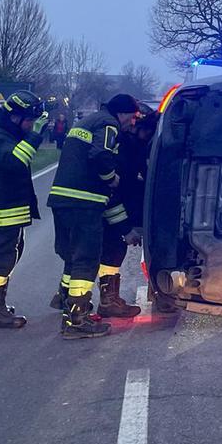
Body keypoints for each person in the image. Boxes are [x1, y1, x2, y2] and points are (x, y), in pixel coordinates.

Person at [47, 93, 141, 339]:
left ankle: (66, 301)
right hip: (83, 202)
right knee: (87, 261)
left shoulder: (85, 122)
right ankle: (76, 322)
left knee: (72, 255)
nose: (133, 123)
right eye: (132, 118)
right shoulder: (108, 124)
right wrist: (112, 178)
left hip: (62, 200)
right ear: (121, 113)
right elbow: (100, 155)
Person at [0, 90, 50, 329]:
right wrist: (36, 135)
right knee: (3, 258)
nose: (30, 125)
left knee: (13, 254)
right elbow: (16, 161)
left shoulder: (7, 135)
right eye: (29, 120)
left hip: (11, 207)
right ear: (15, 117)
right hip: (2, 209)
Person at [95, 105, 158, 318]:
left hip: (112, 205)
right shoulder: (124, 149)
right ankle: (108, 301)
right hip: (109, 206)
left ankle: (69, 296)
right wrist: (126, 227)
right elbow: (117, 189)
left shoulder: (131, 147)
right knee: (112, 252)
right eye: (147, 132)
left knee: (104, 252)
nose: (148, 137)